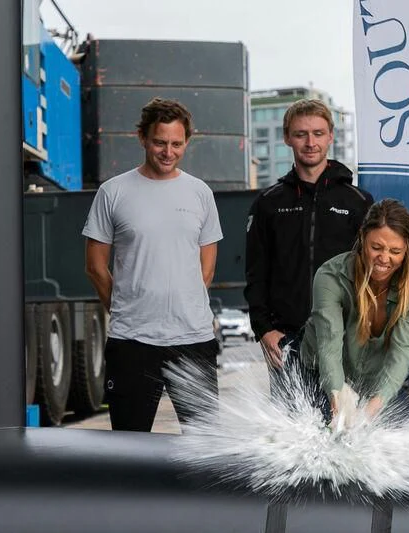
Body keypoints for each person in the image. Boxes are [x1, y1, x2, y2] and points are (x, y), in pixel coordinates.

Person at [82, 97, 222, 431]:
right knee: (129, 446)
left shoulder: (200, 193)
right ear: (142, 137)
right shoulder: (113, 192)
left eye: (177, 144)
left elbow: (206, 268)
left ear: (186, 142)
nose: (168, 152)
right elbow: (95, 266)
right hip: (132, 342)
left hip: (193, 339)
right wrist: (126, 308)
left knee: (205, 446)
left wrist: (181, 303)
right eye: (160, 142)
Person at [244, 99, 373, 394]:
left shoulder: (358, 202)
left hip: (344, 339)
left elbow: (373, 272)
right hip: (287, 341)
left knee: (346, 420)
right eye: (301, 134)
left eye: (318, 133)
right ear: (287, 138)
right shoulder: (268, 203)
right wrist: (264, 329)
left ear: (331, 137)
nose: (310, 142)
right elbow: (255, 273)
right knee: (292, 422)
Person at [300, 199, 409, 420]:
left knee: (405, 429)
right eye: (376, 248)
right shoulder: (330, 276)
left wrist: (370, 411)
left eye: (395, 251)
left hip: (374, 382)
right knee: (320, 430)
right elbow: (329, 346)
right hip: (320, 373)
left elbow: (401, 355)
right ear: (362, 237)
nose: (384, 259)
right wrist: (338, 401)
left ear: (407, 249)